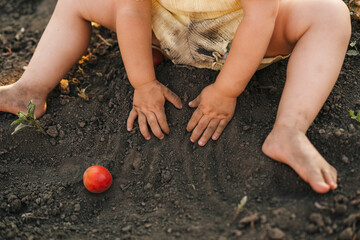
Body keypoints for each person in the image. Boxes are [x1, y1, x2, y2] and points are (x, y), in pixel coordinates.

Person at [0, 0, 351, 193]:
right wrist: (143, 83)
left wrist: (226, 90)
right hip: (164, 26)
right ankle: (30, 89)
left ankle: (289, 129)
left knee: (329, 14)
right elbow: (132, 8)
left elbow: (261, 17)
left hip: (238, 35)